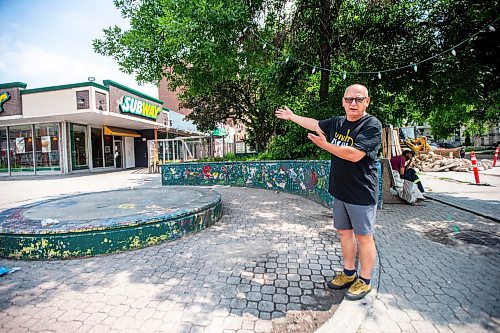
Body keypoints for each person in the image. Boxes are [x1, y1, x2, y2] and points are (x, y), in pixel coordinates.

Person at [275, 84, 382, 301]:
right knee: (344, 233)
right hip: (340, 191)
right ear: (343, 101)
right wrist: (292, 116)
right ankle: (349, 273)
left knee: (364, 237)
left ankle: (365, 280)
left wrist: (326, 146)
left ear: (367, 101)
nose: (353, 103)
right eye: (349, 99)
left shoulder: (371, 125)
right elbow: (315, 124)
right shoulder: (337, 123)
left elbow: (354, 155)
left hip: (361, 192)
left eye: (358, 99)